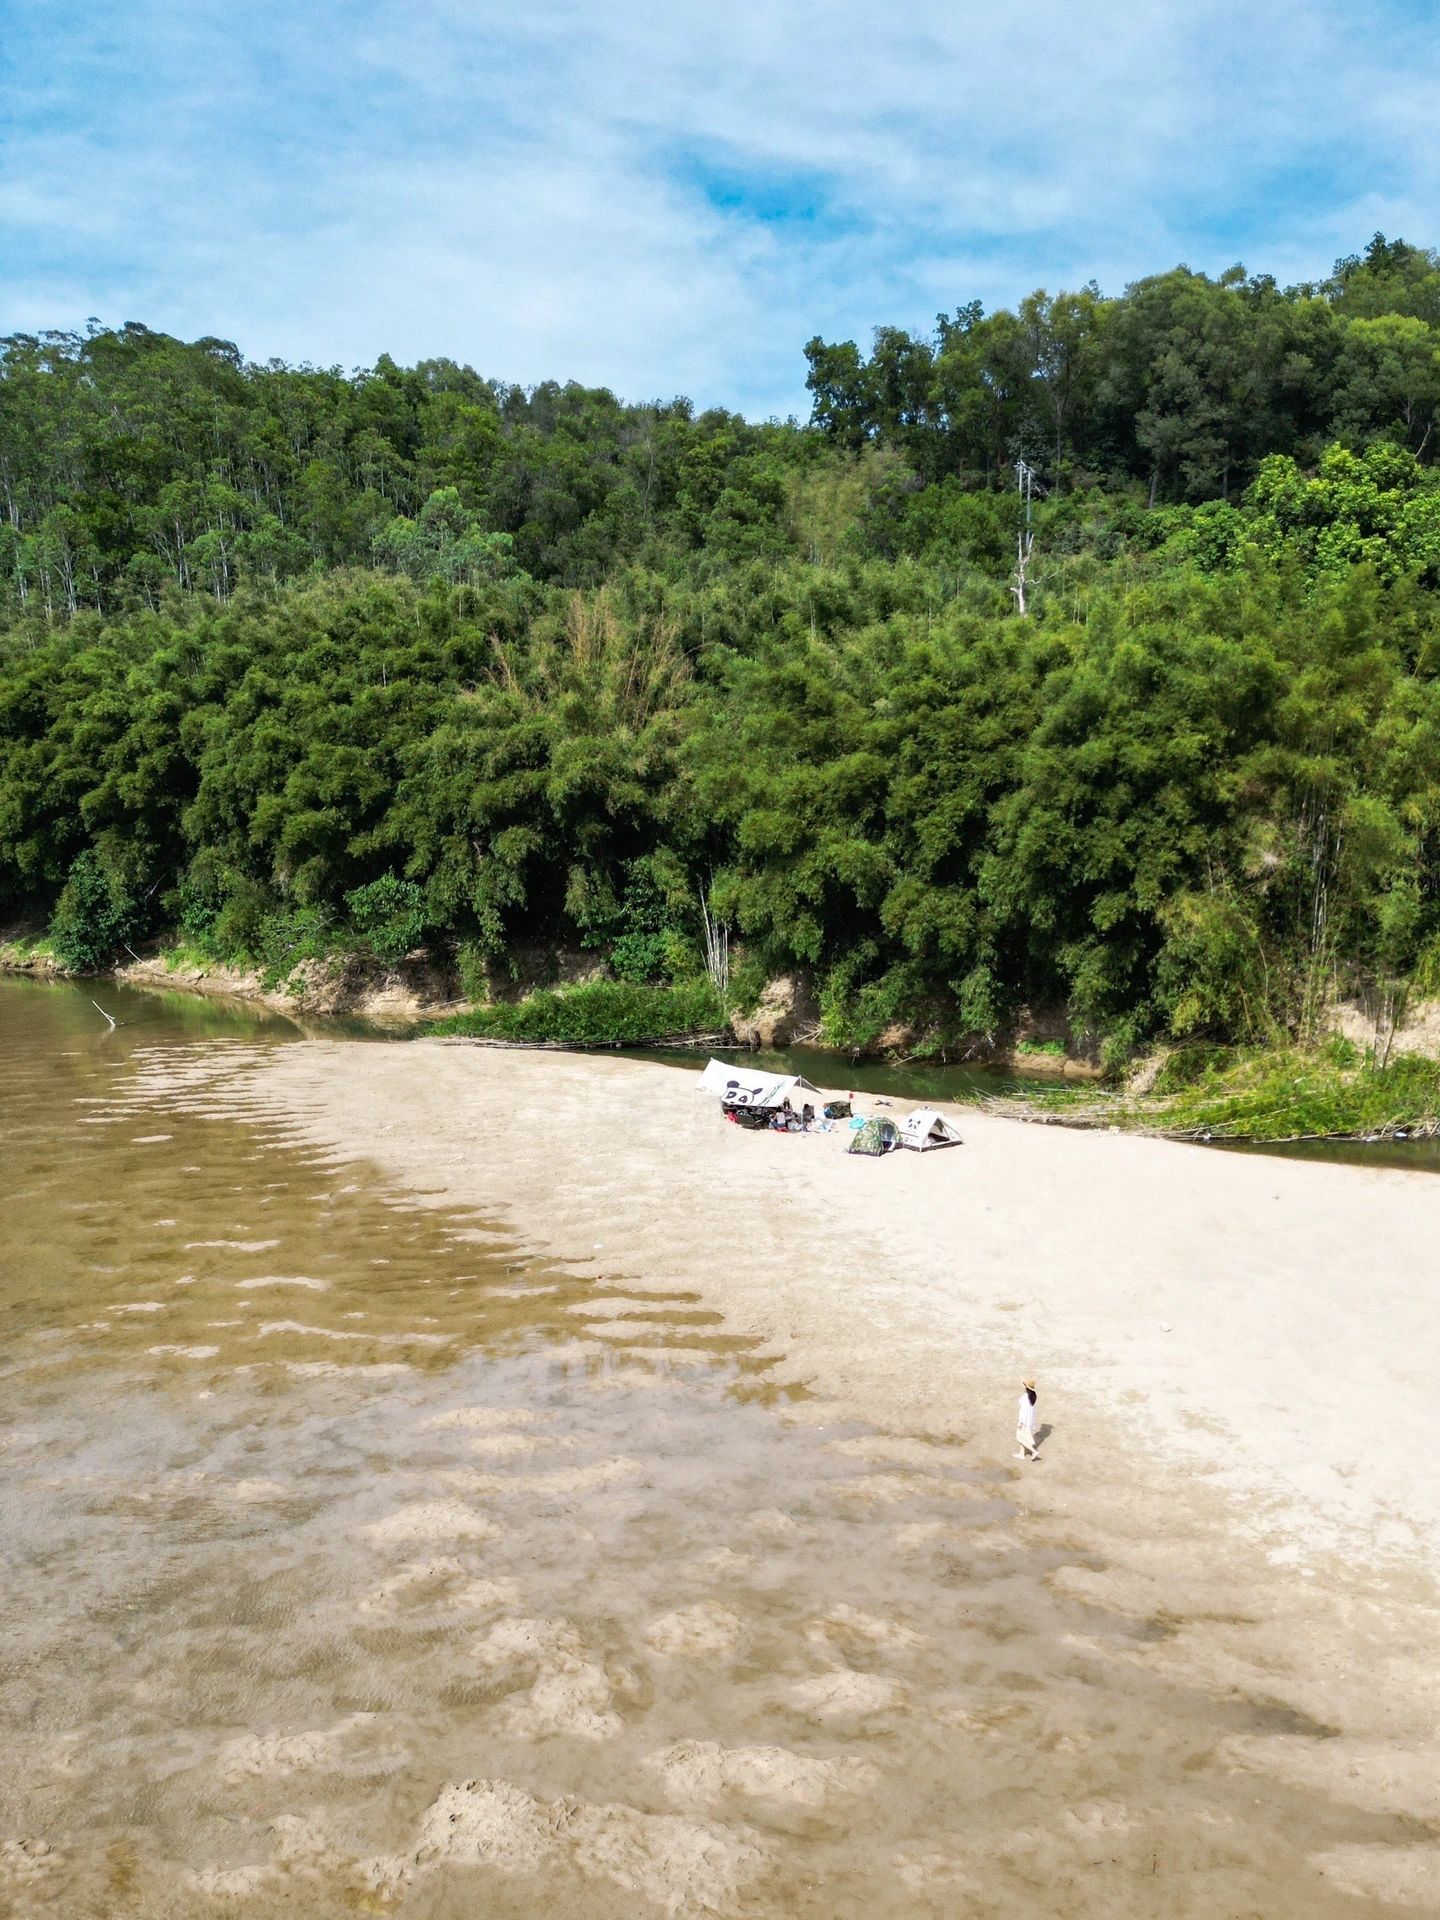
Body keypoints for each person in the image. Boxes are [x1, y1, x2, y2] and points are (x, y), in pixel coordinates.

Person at [1014, 1377, 1040, 1460]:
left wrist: (1020, 1422)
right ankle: (1021, 1454)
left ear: (1026, 1387)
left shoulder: (1025, 1397)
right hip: (1029, 1421)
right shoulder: (1033, 1396)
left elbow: (1023, 1411)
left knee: (1019, 1438)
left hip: (1024, 1421)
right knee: (1023, 1437)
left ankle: (1034, 1451)